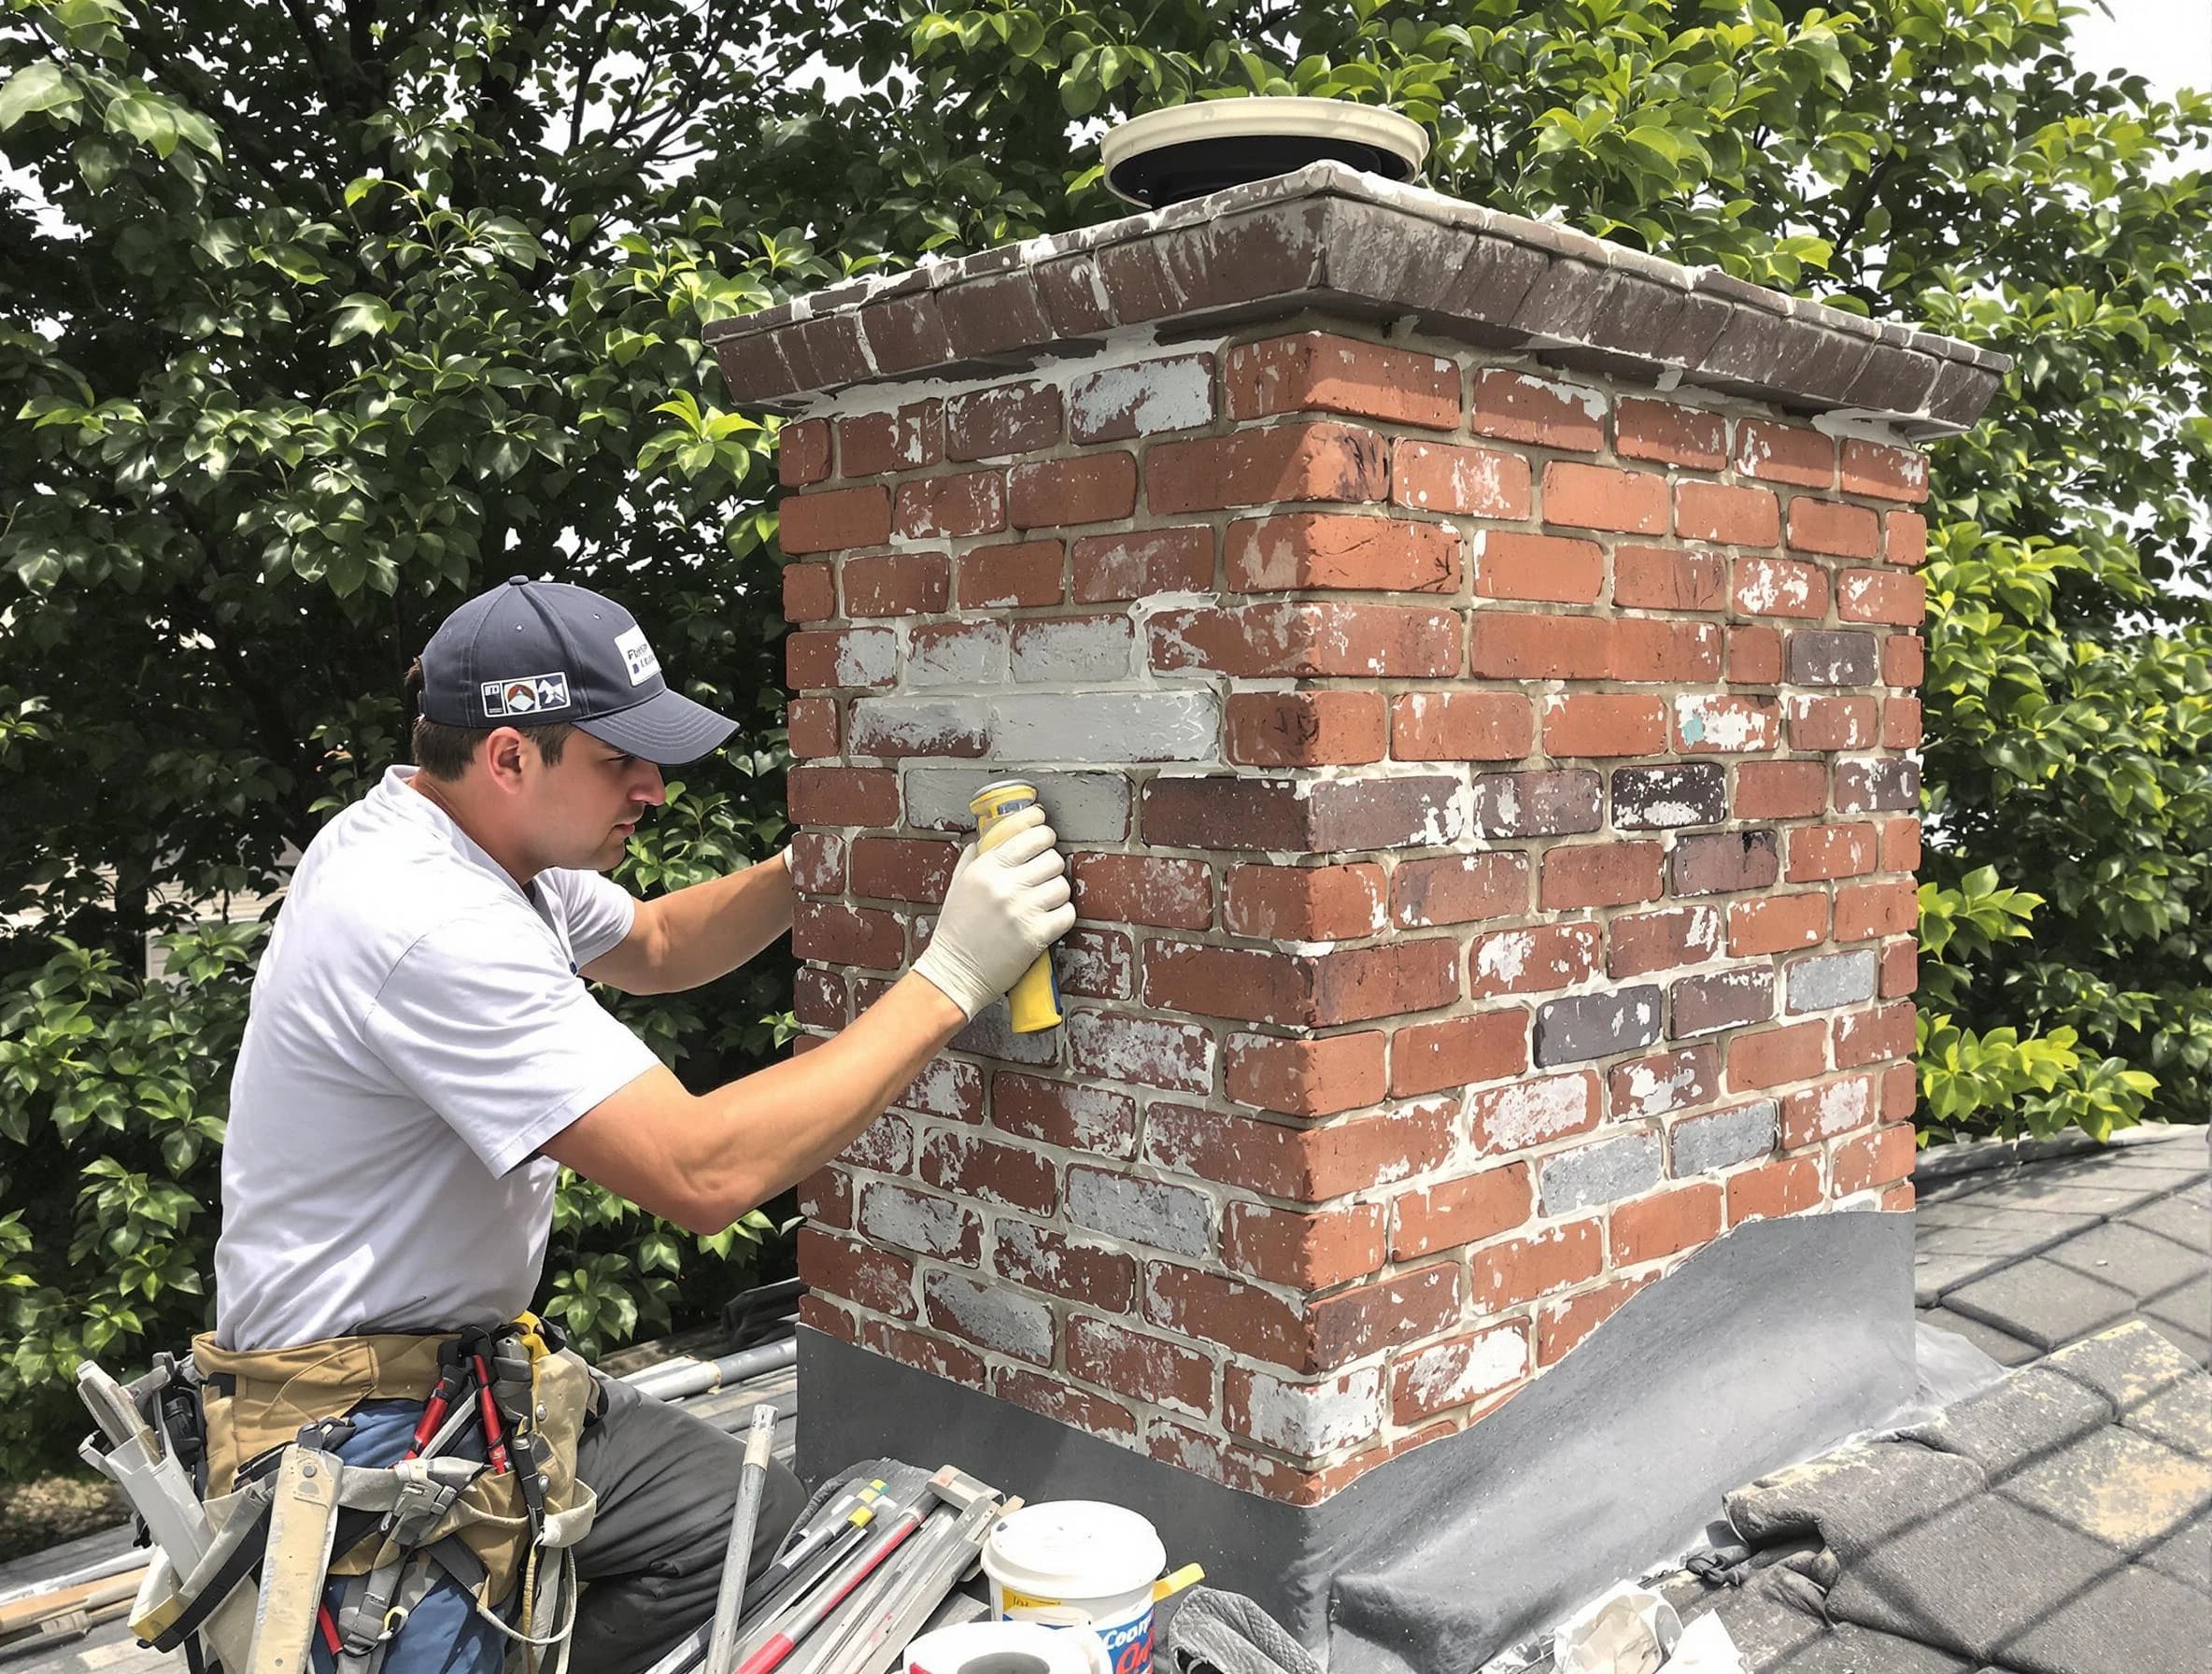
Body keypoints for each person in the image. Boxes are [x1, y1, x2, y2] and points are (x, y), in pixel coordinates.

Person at [205, 575, 1074, 1674]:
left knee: (735, 1517)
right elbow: (699, 1170)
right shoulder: (422, 917)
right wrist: (954, 973)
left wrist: (816, 867)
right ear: (512, 756)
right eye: (621, 759)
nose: (655, 787)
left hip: (458, 1377)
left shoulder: (487, 846)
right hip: (363, 1424)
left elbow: (659, 945)